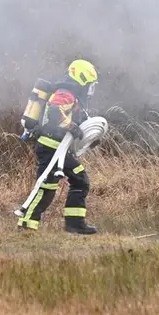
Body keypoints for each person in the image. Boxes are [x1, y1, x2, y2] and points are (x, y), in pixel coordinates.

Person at [16, 59, 100, 235]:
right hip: (50, 147)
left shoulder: (74, 96)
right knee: (51, 185)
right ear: (82, 78)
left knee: (75, 181)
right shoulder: (66, 93)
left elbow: (79, 126)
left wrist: (89, 138)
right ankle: (26, 225)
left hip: (59, 149)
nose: (91, 89)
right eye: (90, 84)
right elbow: (55, 112)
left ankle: (74, 225)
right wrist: (71, 126)